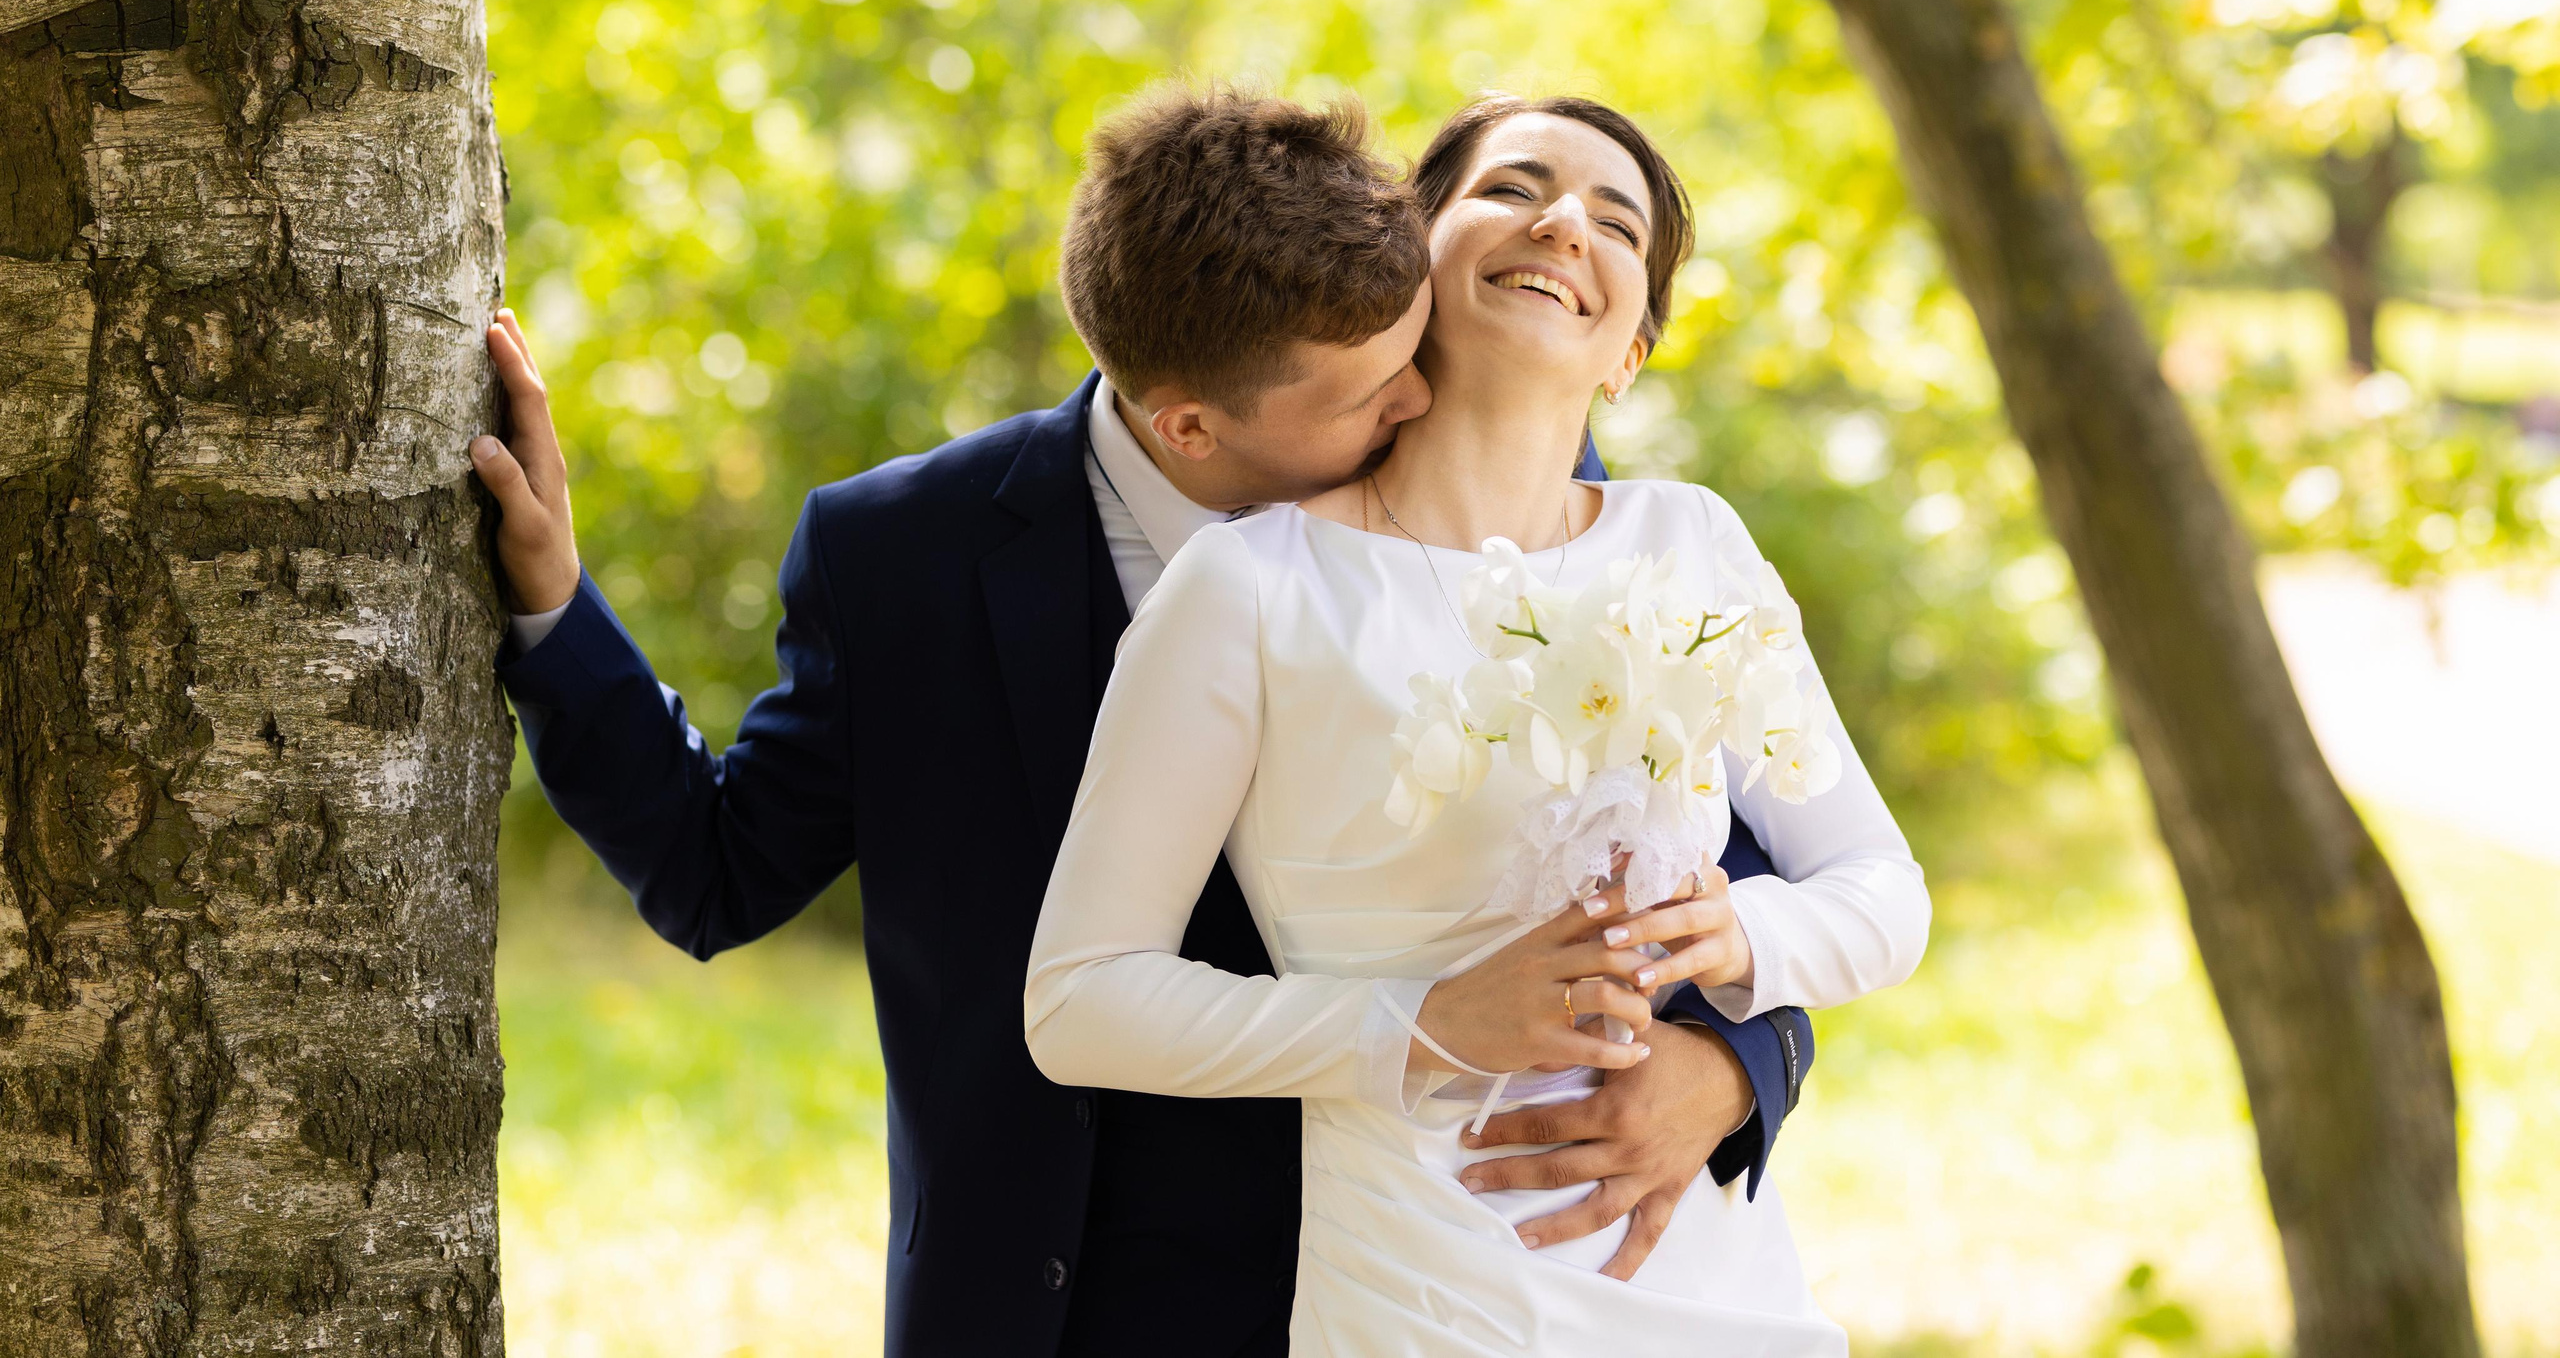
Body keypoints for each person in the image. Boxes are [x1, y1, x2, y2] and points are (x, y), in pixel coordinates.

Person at [469, 88, 1819, 1358]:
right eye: (1370, 392)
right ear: (1190, 422)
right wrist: (553, 609)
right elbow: (718, 870)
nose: (1417, 400)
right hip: (1058, 1300)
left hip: (1407, 1276)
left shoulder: (1537, 513)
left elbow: (1733, 839)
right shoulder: (906, 555)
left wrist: (1736, 1057)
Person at [1024, 94, 1929, 1354]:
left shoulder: (1693, 542)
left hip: (1719, 1294)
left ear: (1630, 349)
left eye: (1619, 222)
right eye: (1514, 189)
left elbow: (1883, 891)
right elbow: (1078, 1002)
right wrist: (1417, 1023)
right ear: (1413, 260)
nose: (1566, 224)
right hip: (1426, 1297)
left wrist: (1738, 936)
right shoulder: (1248, 588)